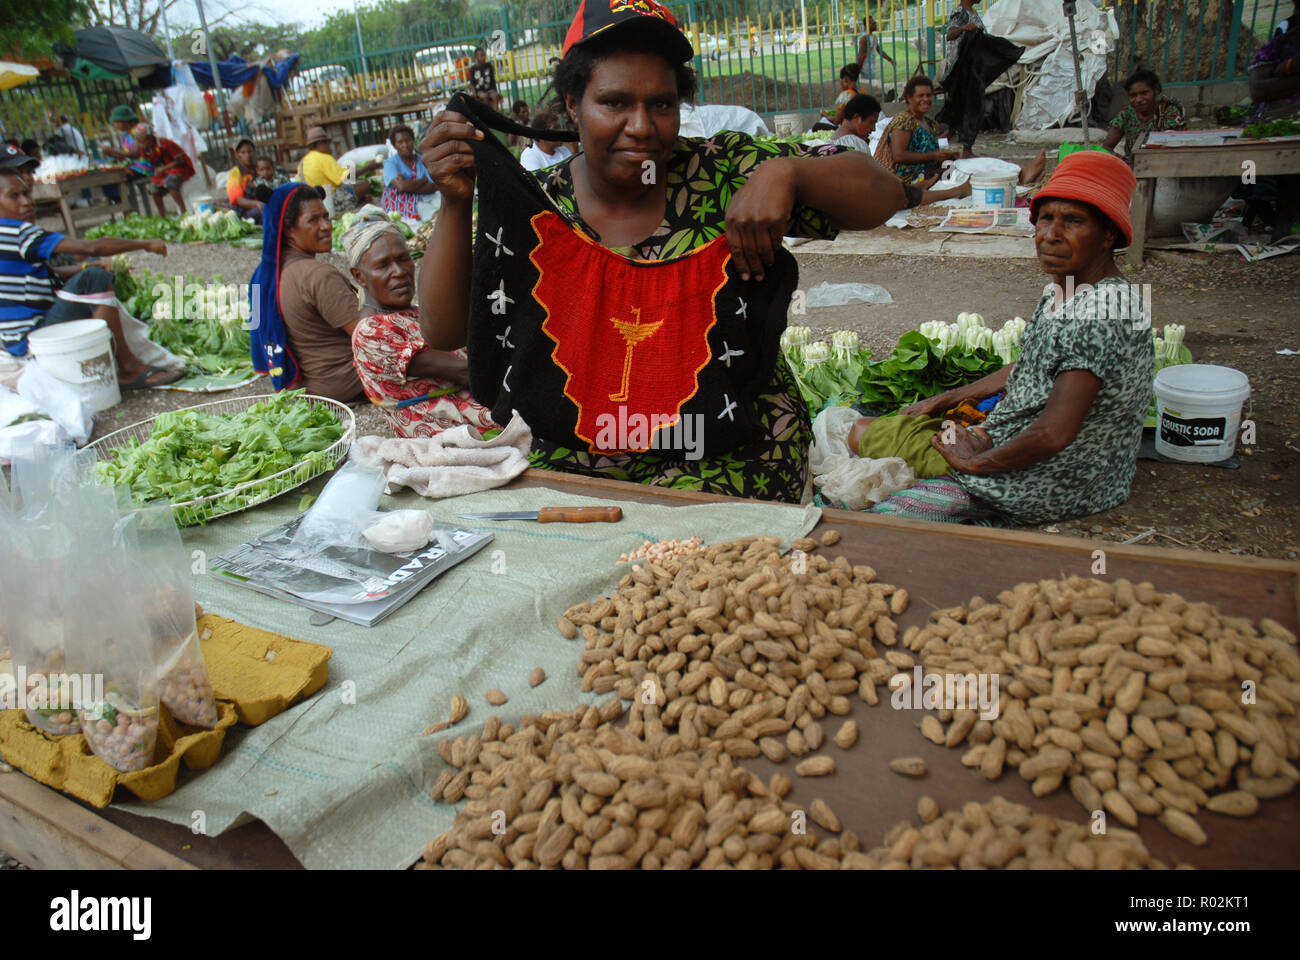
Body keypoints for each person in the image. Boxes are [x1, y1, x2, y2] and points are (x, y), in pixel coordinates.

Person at [417, 0, 904, 502]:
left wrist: (790, 172)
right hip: (579, 470)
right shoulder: (536, 208)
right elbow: (444, 329)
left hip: (732, 460)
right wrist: (454, 202)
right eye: (615, 102)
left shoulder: (727, 173)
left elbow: (883, 195)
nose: (642, 126)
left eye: (662, 104)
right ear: (571, 103)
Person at [848, 151, 1153, 525]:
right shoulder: (1068, 289)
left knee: (879, 510)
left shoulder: (1102, 310)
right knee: (863, 432)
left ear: (1108, 235)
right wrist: (945, 399)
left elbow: (1055, 434)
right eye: (1045, 219)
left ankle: (965, 494)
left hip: (1055, 477)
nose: (1051, 236)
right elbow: (1030, 366)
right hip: (1009, 438)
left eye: (1074, 221)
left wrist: (974, 462)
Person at [0, 158, 179, 387]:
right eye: (14, 196)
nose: (26, 202)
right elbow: (88, 247)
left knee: (90, 270)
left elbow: (49, 271)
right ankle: (128, 369)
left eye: (26, 194)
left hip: (14, 342)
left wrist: (86, 265)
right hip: (34, 339)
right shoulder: (19, 232)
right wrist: (145, 243)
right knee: (95, 279)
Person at [345, 208, 496, 438]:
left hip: (470, 420)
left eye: (403, 259)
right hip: (448, 434)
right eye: (383, 265)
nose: (399, 272)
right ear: (359, 276)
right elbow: (466, 371)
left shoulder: (411, 312)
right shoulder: (370, 332)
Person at [250, 182, 363, 401]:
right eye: (314, 220)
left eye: (326, 217)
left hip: (301, 386)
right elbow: (370, 337)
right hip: (342, 383)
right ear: (289, 230)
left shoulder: (262, 277)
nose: (326, 226)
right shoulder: (317, 275)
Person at [873, 76, 960, 185]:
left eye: (928, 95)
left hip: (928, 171)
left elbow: (932, 145)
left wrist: (947, 155)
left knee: (958, 170)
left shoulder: (928, 121)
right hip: (908, 178)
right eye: (920, 96)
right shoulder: (904, 121)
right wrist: (933, 156)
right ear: (909, 98)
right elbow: (898, 155)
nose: (926, 99)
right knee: (956, 181)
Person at [1102, 69, 1188, 157]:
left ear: (1156, 90)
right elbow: (1106, 147)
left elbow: (1179, 148)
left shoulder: (1168, 112)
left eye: (1144, 93)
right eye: (1133, 95)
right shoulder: (1126, 114)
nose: (1138, 99)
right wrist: (1124, 162)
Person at [297, 125, 379, 215]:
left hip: (311, 201)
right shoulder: (324, 158)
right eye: (327, 143)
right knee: (365, 185)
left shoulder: (302, 162)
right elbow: (346, 178)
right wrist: (369, 167)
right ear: (320, 143)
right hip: (329, 201)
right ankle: (357, 203)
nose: (330, 146)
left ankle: (361, 201)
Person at [381, 124, 438, 221]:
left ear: (413, 141)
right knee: (433, 216)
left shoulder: (422, 160)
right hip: (406, 202)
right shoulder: (391, 163)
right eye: (400, 142)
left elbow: (432, 186)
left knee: (445, 204)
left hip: (427, 196)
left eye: (408, 141)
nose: (405, 145)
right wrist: (423, 180)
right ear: (395, 145)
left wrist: (407, 186)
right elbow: (401, 187)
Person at [134, 123, 194, 215]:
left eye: (142, 142)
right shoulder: (145, 149)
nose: (140, 145)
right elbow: (147, 162)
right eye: (138, 142)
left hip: (177, 168)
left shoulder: (165, 144)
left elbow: (180, 161)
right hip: (162, 172)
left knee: (170, 182)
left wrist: (164, 168)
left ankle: (183, 211)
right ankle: (162, 214)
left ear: (150, 139)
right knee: (153, 188)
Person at [816, 64, 861, 129]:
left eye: (841, 80)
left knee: (817, 126)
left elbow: (836, 121)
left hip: (848, 129)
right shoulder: (862, 92)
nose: (840, 83)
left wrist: (825, 115)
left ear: (846, 79)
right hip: (859, 127)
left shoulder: (845, 95)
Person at [226, 138, 260, 221]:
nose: (247, 155)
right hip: (243, 212)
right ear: (237, 155)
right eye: (243, 152)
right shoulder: (235, 173)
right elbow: (237, 200)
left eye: (249, 151)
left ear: (254, 152)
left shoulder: (260, 169)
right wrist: (257, 204)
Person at [856, 17, 895, 86]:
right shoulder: (864, 38)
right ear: (867, 25)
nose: (875, 24)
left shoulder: (874, 37)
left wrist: (890, 59)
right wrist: (857, 69)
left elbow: (879, 51)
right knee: (869, 87)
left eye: (875, 22)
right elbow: (860, 55)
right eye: (873, 23)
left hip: (872, 67)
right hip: (866, 68)